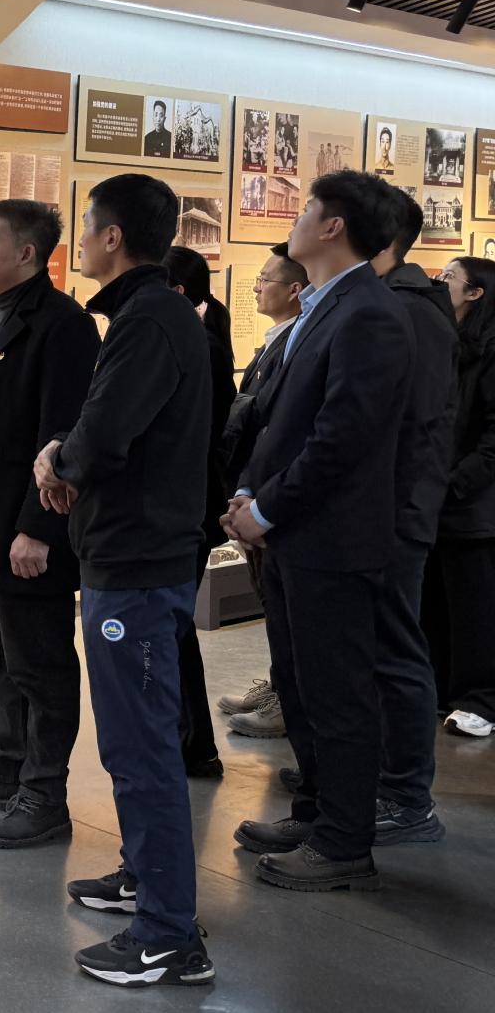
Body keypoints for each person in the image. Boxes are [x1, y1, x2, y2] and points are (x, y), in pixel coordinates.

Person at [36, 173, 213, 987]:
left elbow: (105, 433)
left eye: (86, 227)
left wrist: (58, 461)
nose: (80, 241)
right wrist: (69, 454)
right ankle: (146, 880)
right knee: (136, 740)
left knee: (140, 748)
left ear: (112, 237)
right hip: (133, 555)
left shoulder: (149, 319)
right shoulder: (152, 314)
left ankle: (168, 936)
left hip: (138, 566)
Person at [222, 171, 411, 893]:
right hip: (294, 533)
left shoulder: (368, 312)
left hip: (330, 539)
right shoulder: (324, 305)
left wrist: (266, 510)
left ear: (333, 227)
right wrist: (249, 492)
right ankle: (316, 812)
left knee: (337, 695)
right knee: (299, 687)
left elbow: (341, 439)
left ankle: (343, 841)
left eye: (305, 209)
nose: (293, 220)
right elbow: (280, 421)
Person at [0, 199, 99, 849]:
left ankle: (44, 794)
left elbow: (62, 434)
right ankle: (8, 761)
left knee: (41, 664)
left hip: (27, 528)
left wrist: (37, 528)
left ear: (27, 253)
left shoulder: (63, 326)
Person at [361, 184, 454, 842]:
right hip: (372, 512)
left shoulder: (410, 311)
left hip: (392, 514)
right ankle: (367, 781)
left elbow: (407, 427)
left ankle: (405, 797)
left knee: (395, 650)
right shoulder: (387, 301)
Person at [217, 245, 306, 739]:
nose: (256, 287)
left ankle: (287, 700)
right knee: (270, 601)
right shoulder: (274, 342)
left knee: (283, 608)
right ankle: (277, 685)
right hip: (253, 486)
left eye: (266, 279)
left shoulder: (297, 340)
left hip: (272, 494)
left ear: (294, 289)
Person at [161, 246, 232, 779]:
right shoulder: (198, 338)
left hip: (184, 508)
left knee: (173, 628)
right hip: (187, 505)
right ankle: (190, 741)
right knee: (172, 627)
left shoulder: (196, 344)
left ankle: (192, 742)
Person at [428, 256, 495, 738]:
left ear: (476, 293)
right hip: (437, 500)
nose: (439, 281)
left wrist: (453, 483)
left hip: (473, 504)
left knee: (476, 607)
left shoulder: (490, 353)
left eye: (449, 277)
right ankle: (440, 690)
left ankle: (481, 700)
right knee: (436, 601)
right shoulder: (446, 345)